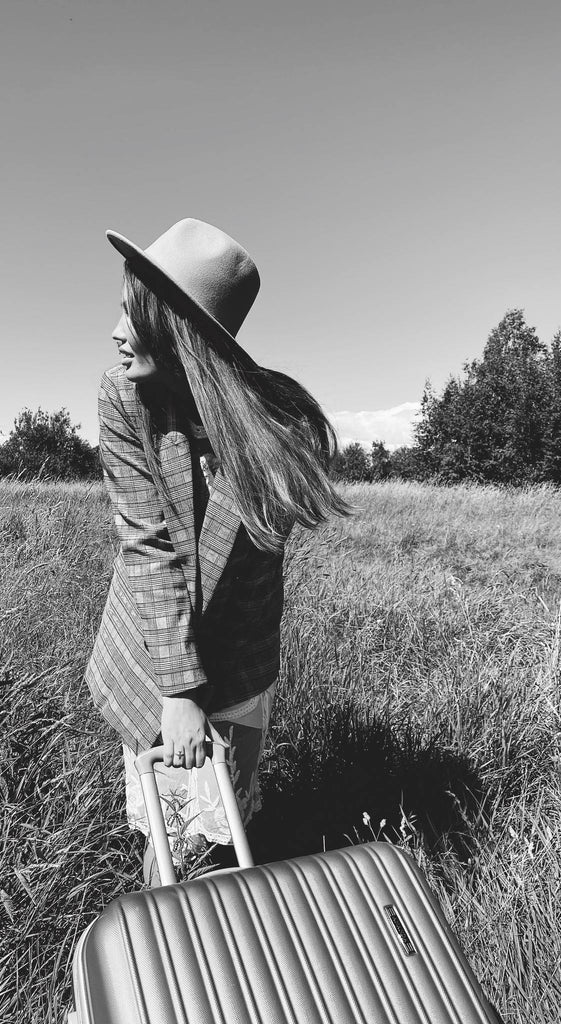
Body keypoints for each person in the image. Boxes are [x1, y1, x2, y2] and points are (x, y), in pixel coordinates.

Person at [84, 218, 349, 885]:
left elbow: (251, 560)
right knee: (172, 830)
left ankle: (212, 939)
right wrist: (179, 692)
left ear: (176, 327)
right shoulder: (124, 398)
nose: (116, 331)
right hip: (156, 650)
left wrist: (208, 696)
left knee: (223, 821)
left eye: (131, 314)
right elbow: (148, 547)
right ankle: (171, 949)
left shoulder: (273, 416)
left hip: (240, 648)